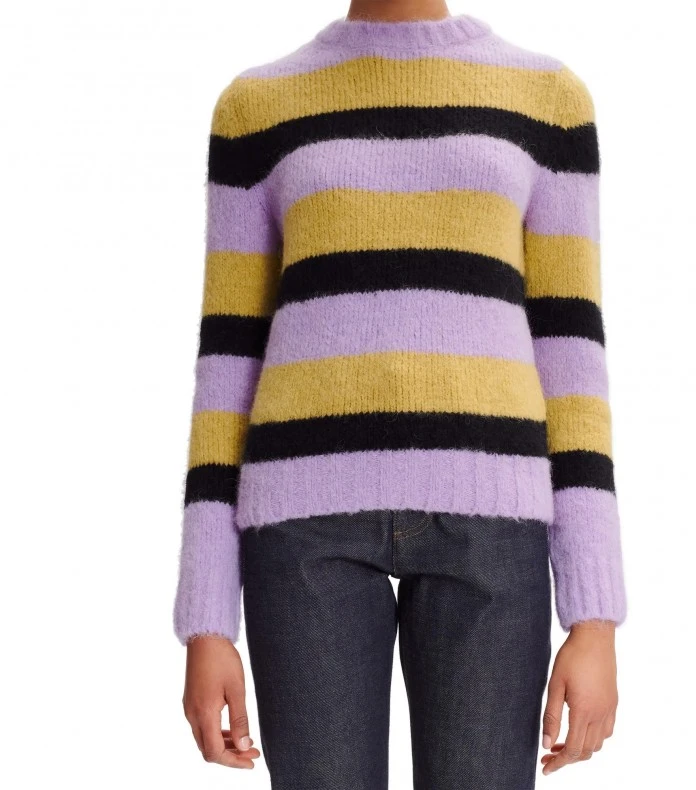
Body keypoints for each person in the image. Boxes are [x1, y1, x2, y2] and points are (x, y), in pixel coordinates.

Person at [174, 0, 627, 787]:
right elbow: (227, 362)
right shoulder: (257, 107)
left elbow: (572, 359)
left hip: (493, 526)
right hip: (303, 527)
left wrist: (595, 616)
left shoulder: (547, 100)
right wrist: (205, 619)